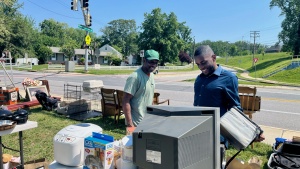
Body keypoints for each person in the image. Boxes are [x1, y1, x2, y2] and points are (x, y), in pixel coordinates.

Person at [193, 45, 265, 143]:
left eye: (203, 62)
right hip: (199, 131)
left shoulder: (229, 78)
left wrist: (254, 131)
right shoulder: (199, 79)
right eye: (198, 64)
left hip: (217, 135)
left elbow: (235, 109)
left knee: (216, 159)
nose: (201, 67)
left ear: (213, 57)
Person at [122, 49, 159, 127]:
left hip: (147, 121)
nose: (154, 65)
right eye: (151, 62)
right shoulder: (135, 77)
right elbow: (125, 100)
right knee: (135, 139)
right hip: (135, 123)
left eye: (156, 62)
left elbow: (149, 97)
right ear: (144, 60)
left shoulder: (151, 75)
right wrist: (130, 124)